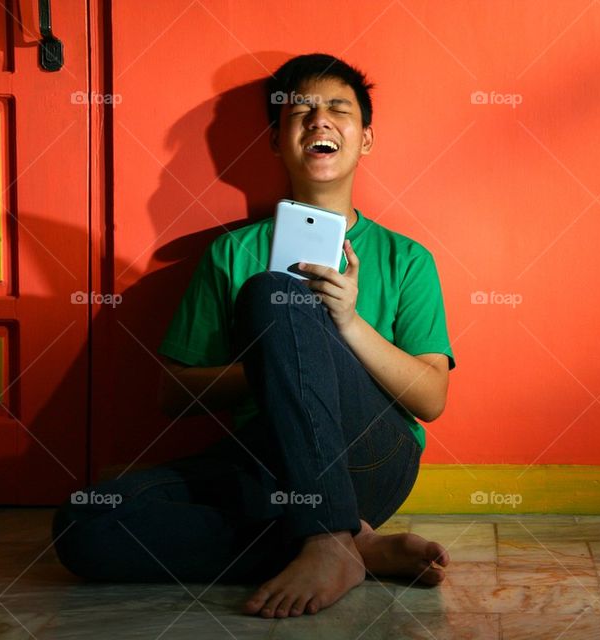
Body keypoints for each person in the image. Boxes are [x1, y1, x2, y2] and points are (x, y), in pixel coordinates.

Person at [52, 53, 457, 619]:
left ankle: (323, 536)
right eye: (301, 112)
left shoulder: (407, 258)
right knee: (85, 522)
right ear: (276, 141)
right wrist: (278, 363)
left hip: (371, 459)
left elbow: (431, 399)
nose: (319, 119)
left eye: (337, 109)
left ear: (364, 140)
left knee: (275, 293)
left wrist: (347, 324)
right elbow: (174, 394)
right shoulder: (229, 254)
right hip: (268, 460)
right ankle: (351, 543)